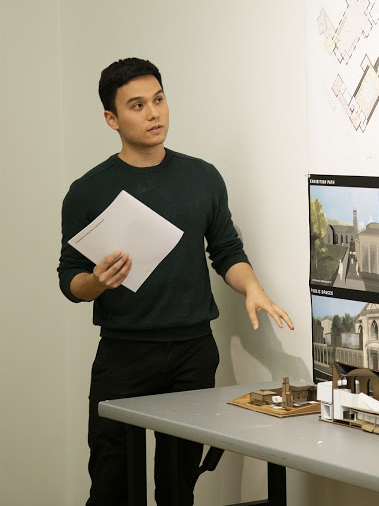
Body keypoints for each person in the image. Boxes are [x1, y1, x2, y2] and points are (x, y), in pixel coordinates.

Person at [57, 58, 293, 506]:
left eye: (159, 100)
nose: (154, 113)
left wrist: (253, 288)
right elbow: (69, 278)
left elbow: (225, 251)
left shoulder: (201, 178)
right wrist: (97, 282)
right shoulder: (87, 191)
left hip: (192, 351)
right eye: (138, 105)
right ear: (112, 118)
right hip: (124, 354)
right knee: (112, 483)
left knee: (178, 484)